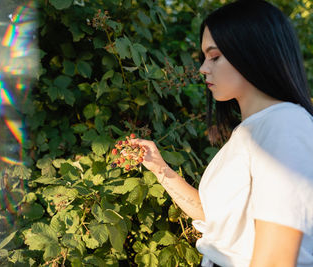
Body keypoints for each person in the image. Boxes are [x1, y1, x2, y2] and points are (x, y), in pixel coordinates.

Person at [131, 0, 313, 266]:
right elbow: (219, 220)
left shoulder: (283, 124)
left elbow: (275, 259)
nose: (203, 68)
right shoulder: (253, 129)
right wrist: (160, 169)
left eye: (214, 56)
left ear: (253, 53)